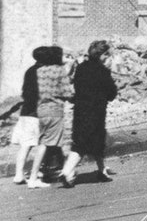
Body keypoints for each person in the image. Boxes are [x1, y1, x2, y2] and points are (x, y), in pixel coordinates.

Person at [61, 41, 118, 187]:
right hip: (96, 112)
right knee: (84, 144)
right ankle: (66, 171)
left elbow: (76, 86)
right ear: (102, 55)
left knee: (92, 141)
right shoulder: (103, 71)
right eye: (108, 55)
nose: (109, 58)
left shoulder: (81, 68)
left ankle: (102, 171)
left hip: (80, 110)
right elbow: (112, 93)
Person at [28, 46, 73, 189]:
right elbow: (67, 93)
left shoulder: (40, 71)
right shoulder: (60, 71)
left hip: (41, 109)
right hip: (55, 110)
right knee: (50, 144)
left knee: (45, 142)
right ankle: (64, 172)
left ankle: (41, 173)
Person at [11, 47, 48, 184]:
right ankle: (35, 173)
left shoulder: (30, 70)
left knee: (25, 145)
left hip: (26, 111)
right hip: (36, 112)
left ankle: (19, 174)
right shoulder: (43, 72)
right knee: (40, 143)